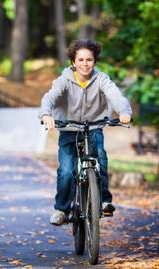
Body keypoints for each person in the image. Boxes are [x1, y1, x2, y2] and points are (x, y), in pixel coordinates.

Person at [39, 39, 132, 226]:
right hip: (69, 129)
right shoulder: (64, 80)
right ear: (73, 62)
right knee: (66, 171)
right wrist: (46, 114)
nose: (84, 64)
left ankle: (104, 201)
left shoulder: (101, 79)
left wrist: (124, 112)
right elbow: (50, 97)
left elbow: (115, 96)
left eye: (89, 60)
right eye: (80, 60)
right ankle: (62, 209)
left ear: (95, 61)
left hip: (93, 128)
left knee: (101, 160)